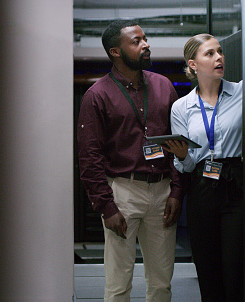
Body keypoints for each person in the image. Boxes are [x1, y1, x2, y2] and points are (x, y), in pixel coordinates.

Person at [164, 33, 245, 302]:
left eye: (220, 52)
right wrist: (182, 155)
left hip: (237, 184)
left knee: (235, 271)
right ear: (193, 64)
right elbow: (185, 166)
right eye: (209, 54)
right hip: (201, 187)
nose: (219, 57)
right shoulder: (182, 106)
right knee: (207, 271)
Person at [77, 20, 189, 302]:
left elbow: (179, 143)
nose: (146, 44)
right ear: (115, 51)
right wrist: (106, 206)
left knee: (161, 284)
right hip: (123, 193)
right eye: (136, 41)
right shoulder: (97, 95)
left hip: (163, 191)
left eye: (145, 39)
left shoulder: (164, 86)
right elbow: (89, 157)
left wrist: (176, 190)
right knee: (118, 285)